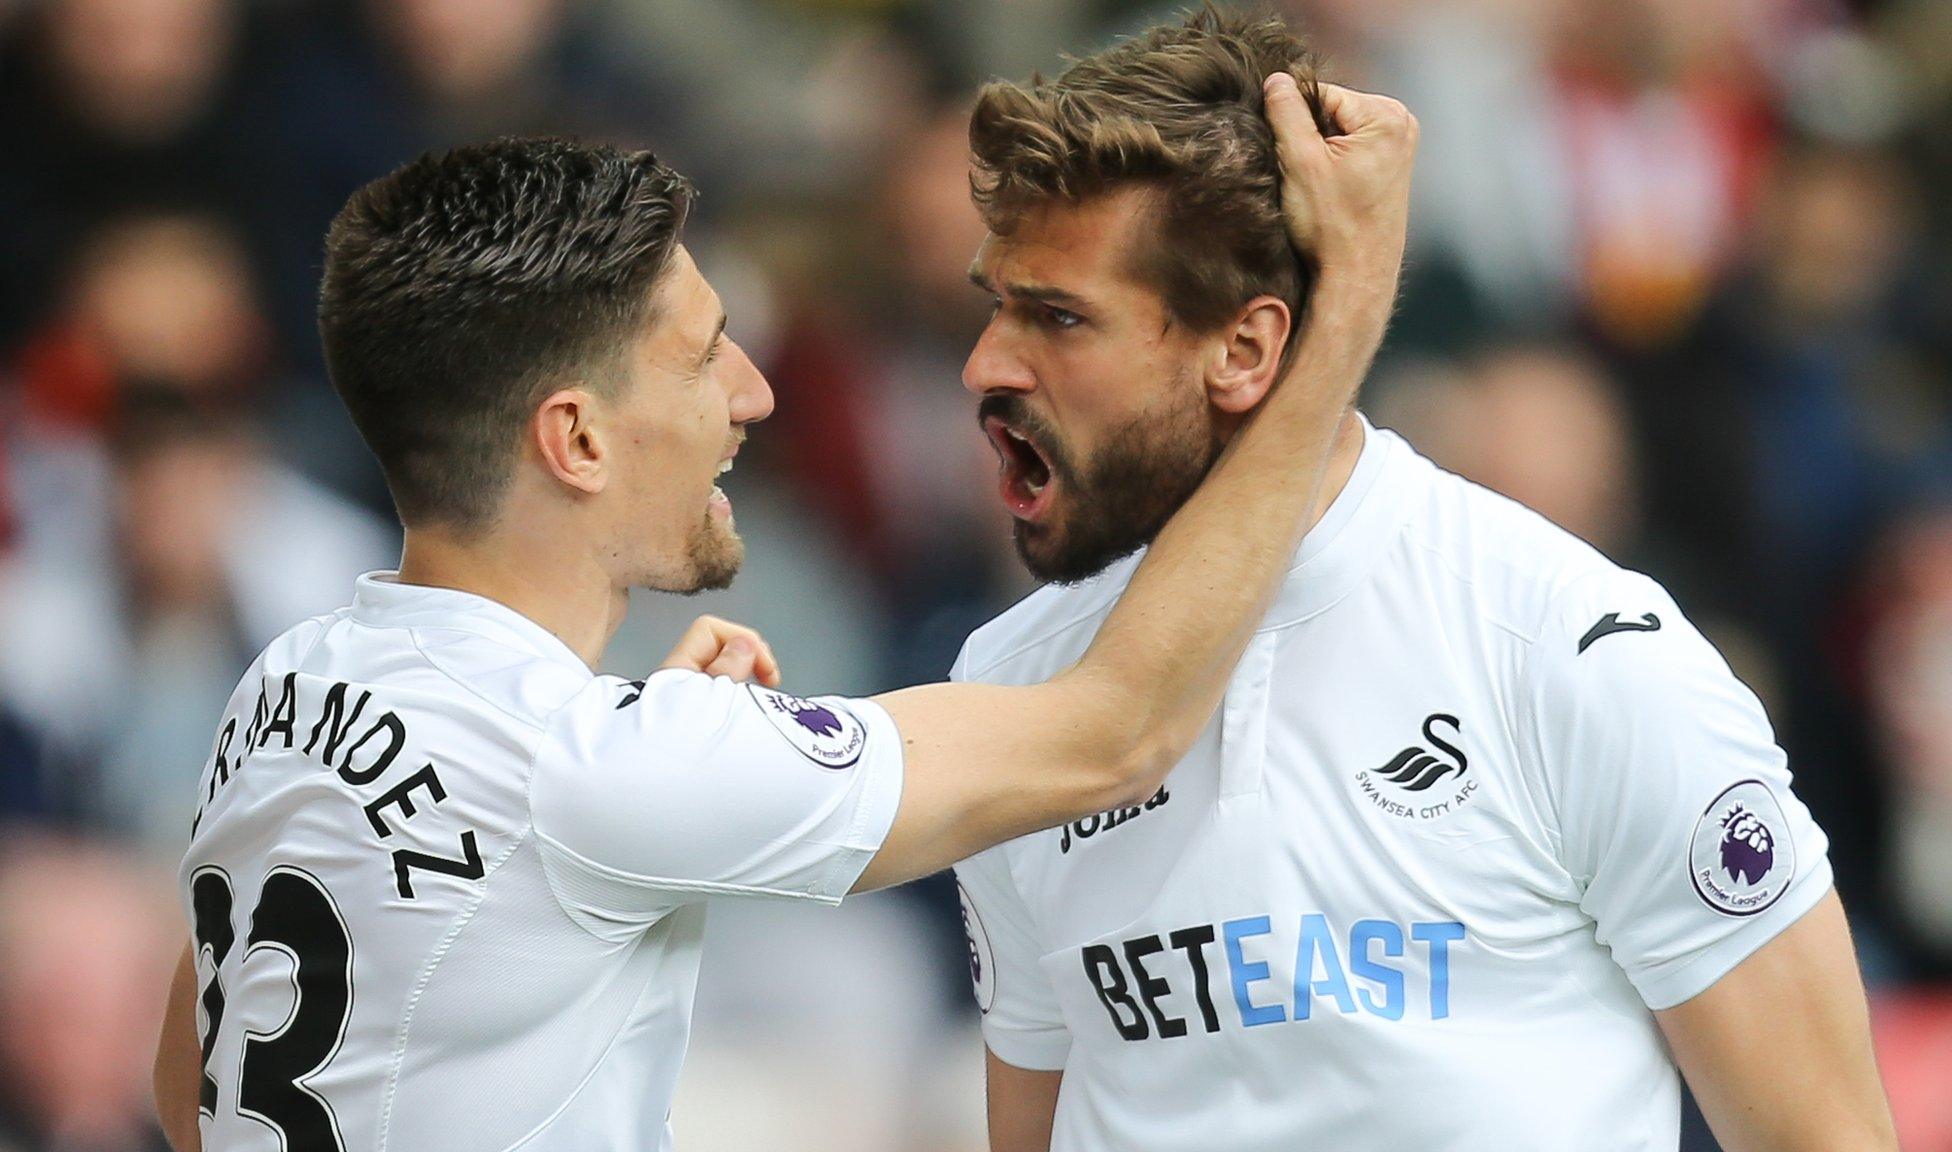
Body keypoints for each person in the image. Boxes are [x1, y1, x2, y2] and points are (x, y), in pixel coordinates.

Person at [149, 83, 1418, 1152]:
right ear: (576, 438)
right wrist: (1343, 310)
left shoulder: (292, 683)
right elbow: (1117, 731)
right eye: (705, 356)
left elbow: (187, 1087)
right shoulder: (605, 769)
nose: (752, 394)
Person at [944, 11, 1895, 1152]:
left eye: (1057, 317)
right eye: (995, 303)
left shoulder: (1572, 650)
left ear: (1245, 350)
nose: (987, 365)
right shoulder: (1007, 684)